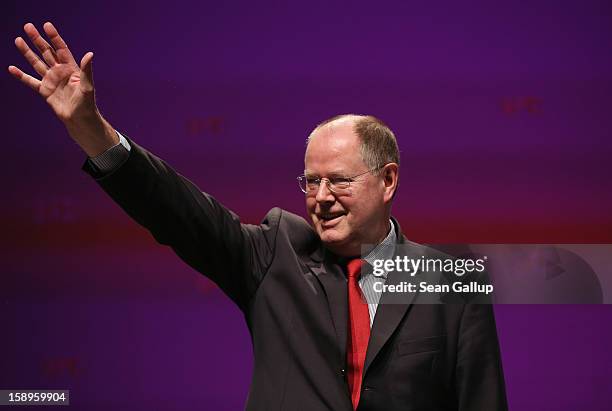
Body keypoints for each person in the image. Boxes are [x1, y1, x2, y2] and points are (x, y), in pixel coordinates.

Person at [9, 22, 508, 411]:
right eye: (311, 182)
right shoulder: (275, 253)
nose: (321, 197)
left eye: (338, 180)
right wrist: (92, 130)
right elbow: (177, 209)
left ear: (389, 180)